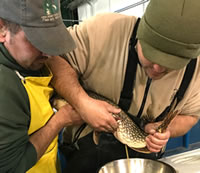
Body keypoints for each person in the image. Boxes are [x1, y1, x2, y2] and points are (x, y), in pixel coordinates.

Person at [47, 0, 200, 172]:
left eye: (171, 64)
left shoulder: (196, 71)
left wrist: (165, 130)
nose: (157, 68)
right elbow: (54, 57)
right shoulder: (103, 30)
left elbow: (190, 115)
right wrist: (83, 103)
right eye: (151, 53)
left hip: (145, 162)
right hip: (84, 156)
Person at [0, 0, 84, 172]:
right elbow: (12, 167)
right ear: (2, 29)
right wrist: (59, 121)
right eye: (36, 39)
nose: (48, 53)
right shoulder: (4, 86)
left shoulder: (27, 61)